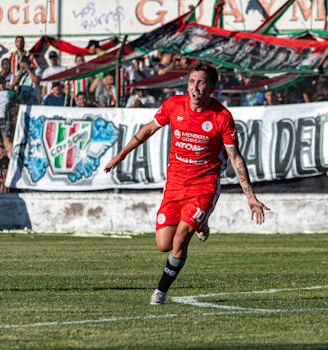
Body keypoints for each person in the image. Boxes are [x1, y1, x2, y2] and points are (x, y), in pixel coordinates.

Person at [104, 62, 269, 305]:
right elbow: (149, 128)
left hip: (204, 185)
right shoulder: (173, 105)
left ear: (212, 88)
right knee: (164, 244)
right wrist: (121, 154)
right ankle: (201, 225)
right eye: (192, 82)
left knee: (181, 238)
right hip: (175, 184)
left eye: (202, 83)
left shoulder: (222, 117)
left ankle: (160, 291)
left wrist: (250, 197)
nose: (195, 88)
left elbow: (235, 158)